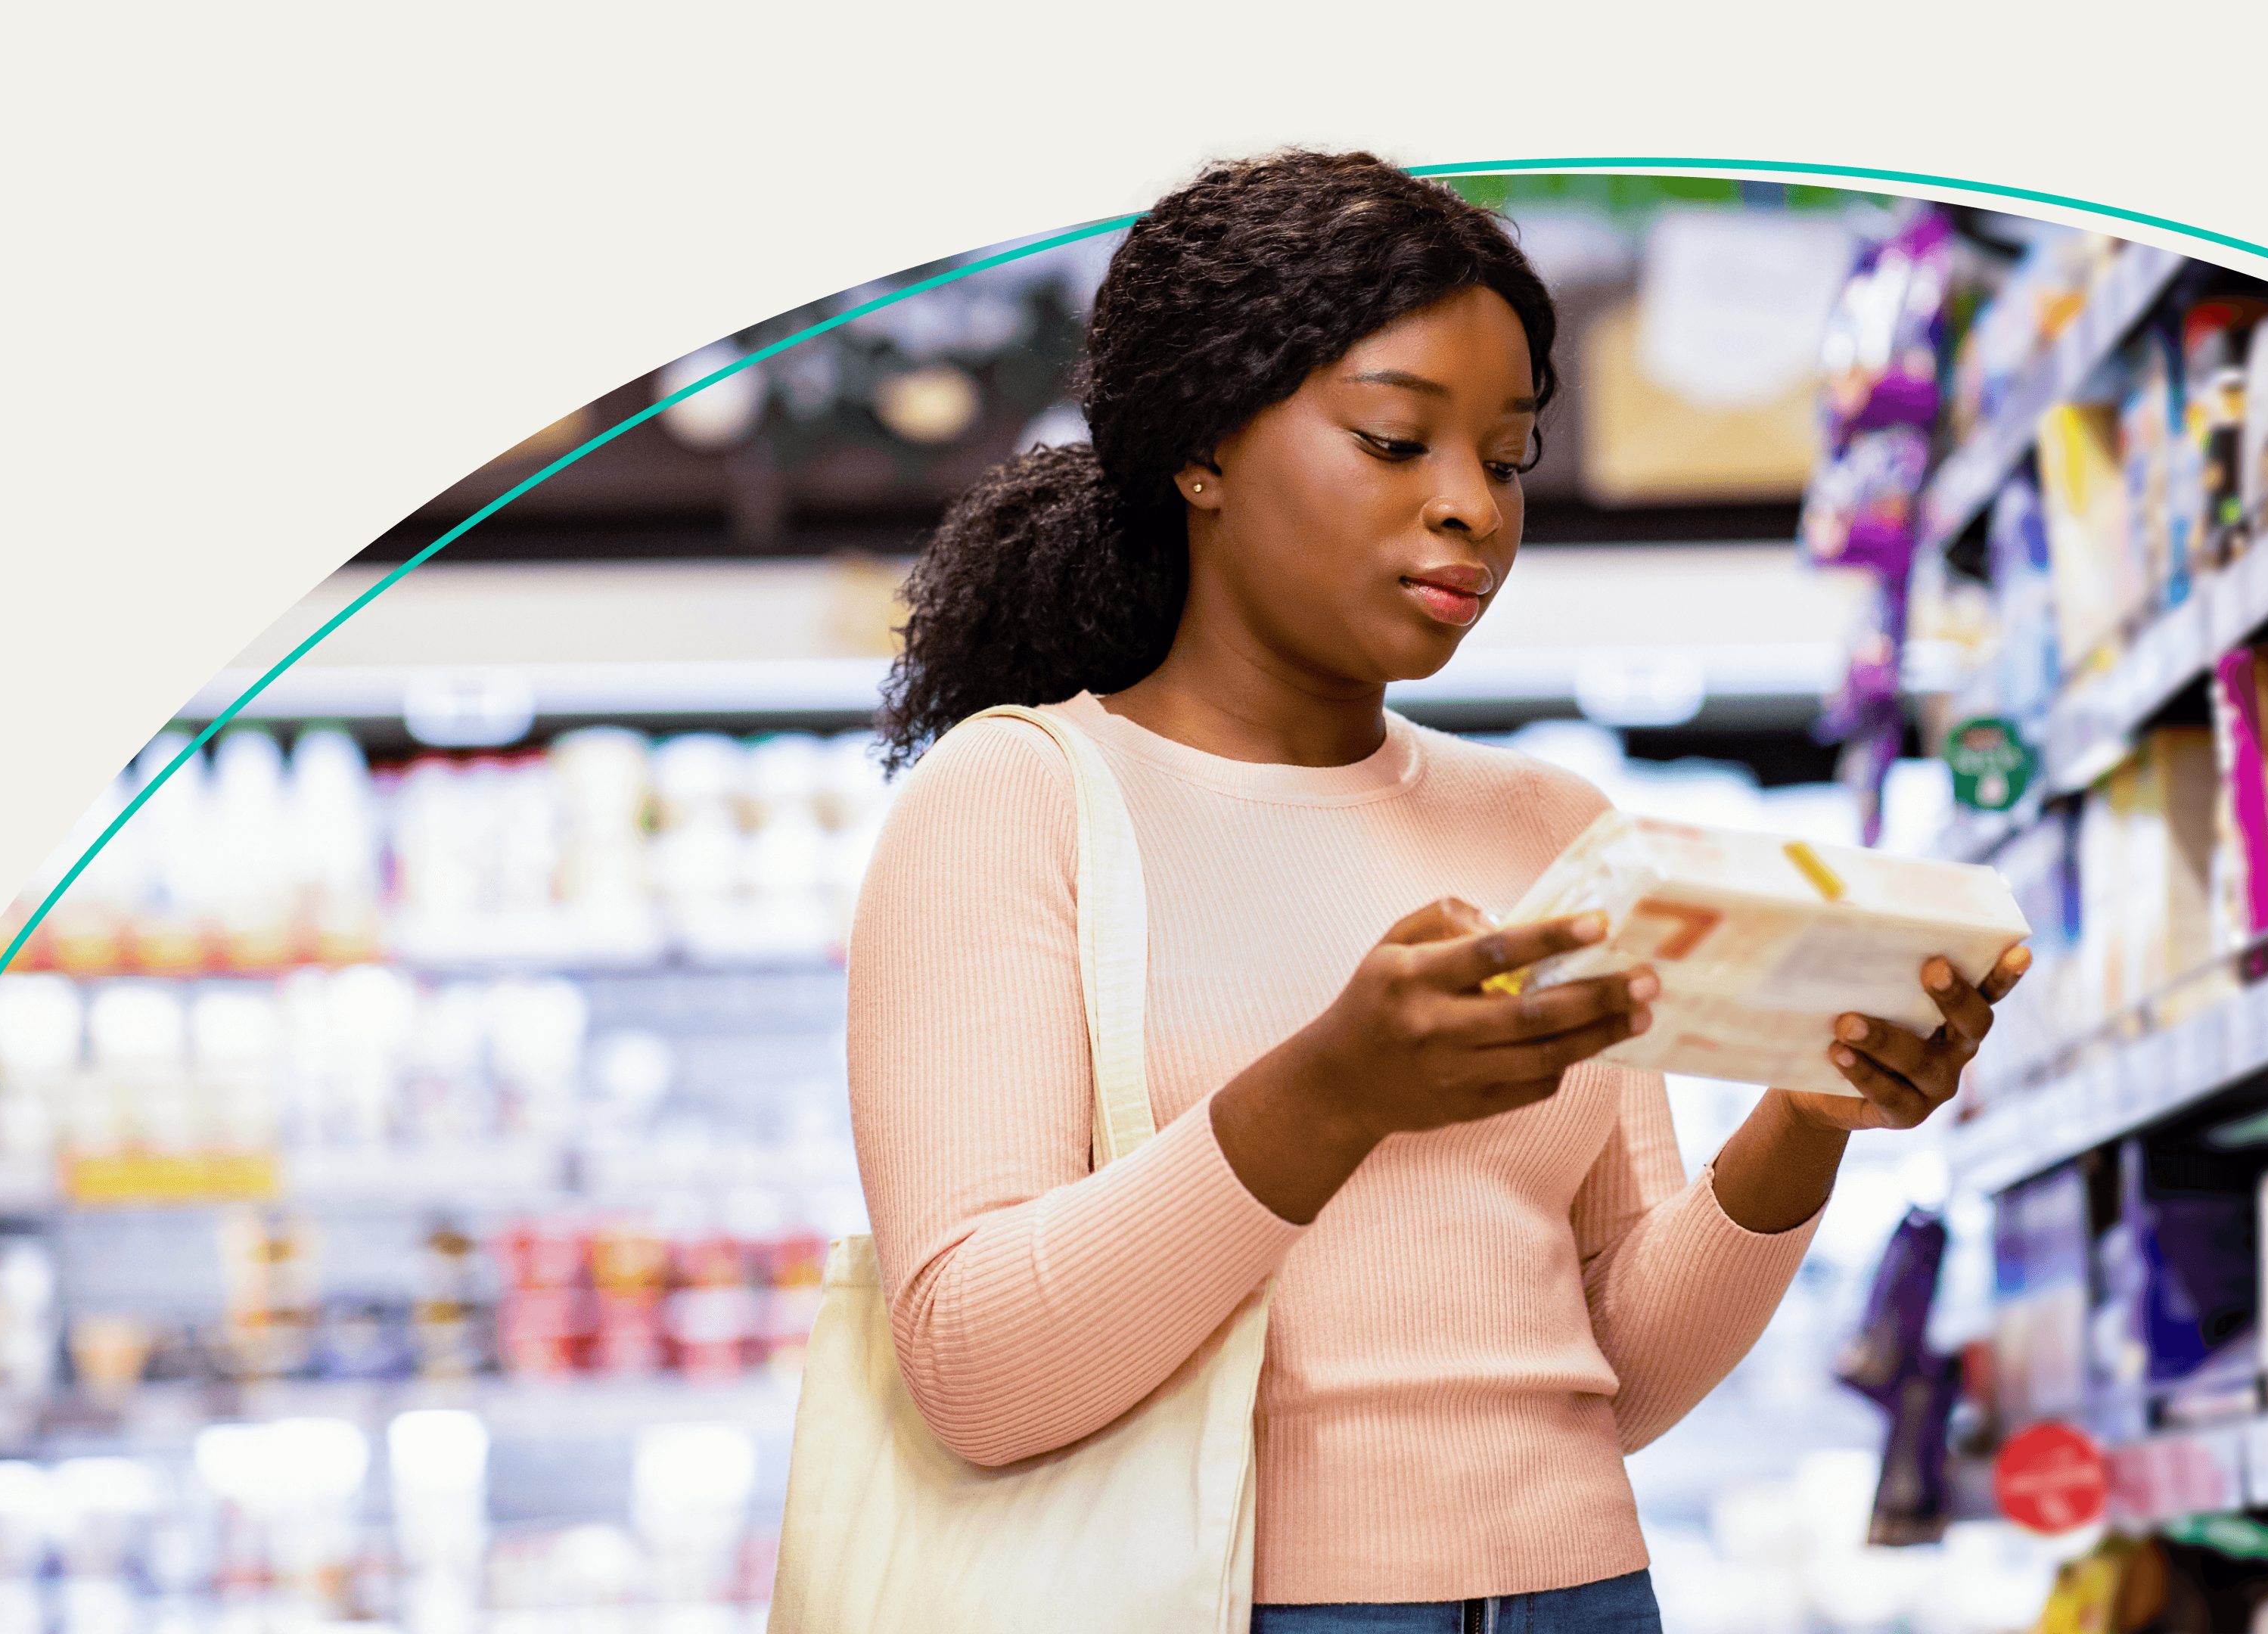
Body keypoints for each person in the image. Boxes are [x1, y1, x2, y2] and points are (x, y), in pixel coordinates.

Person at [850, 149, 2029, 1633]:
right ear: (1198, 449)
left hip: (1587, 1599)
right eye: (1399, 443)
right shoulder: (1014, 800)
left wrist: (1808, 1117)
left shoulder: (1553, 823)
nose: (1473, 507)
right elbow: (978, 1373)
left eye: (1509, 456)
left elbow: (1620, 1377)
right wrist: (1335, 1091)